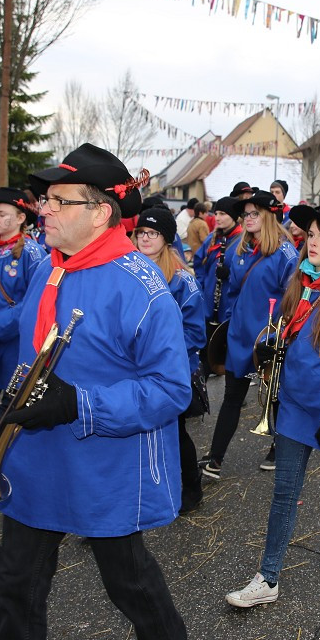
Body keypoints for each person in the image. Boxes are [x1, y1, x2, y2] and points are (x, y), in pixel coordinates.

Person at [0, 144, 190, 640]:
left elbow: (171, 390)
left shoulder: (143, 288)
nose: (44, 210)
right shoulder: (51, 267)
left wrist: (79, 403)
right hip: (35, 457)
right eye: (46, 200)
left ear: (101, 213)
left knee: (131, 588)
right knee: (16, 585)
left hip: (104, 466)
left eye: (60, 201)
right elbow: (33, 346)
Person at [225, 203, 320, 608]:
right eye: (310, 234)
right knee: (284, 491)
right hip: (295, 406)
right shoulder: (303, 280)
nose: (313, 243)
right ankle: (268, 577)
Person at [202, 190, 298, 478]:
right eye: (245, 214)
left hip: (268, 340)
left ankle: (280, 446)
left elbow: (293, 300)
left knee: (276, 396)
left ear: (270, 215)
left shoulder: (285, 253)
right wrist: (227, 325)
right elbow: (231, 291)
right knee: (232, 396)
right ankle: (215, 458)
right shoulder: (238, 249)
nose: (247, 219)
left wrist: (280, 337)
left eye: (254, 213)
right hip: (240, 337)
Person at [135, 207, 207, 514]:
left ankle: (191, 488)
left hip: (170, 369)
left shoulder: (181, 280)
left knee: (175, 433)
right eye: (141, 233)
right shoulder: (128, 271)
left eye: (153, 234)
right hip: (136, 369)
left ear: (166, 239)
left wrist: (161, 353)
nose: (145, 238)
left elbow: (195, 333)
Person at [0, 187, 48, 411]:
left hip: (16, 340)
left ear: (20, 218)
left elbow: (35, 301)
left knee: (14, 402)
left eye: (2, 214)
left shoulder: (32, 254)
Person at [193, 196, 242, 338]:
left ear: (233, 216)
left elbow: (246, 272)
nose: (217, 218)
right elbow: (198, 262)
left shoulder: (242, 241)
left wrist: (230, 274)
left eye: (222, 214)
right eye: (216, 213)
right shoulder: (212, 238)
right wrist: (202, 284)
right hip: (208, 299)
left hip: (227, 301)